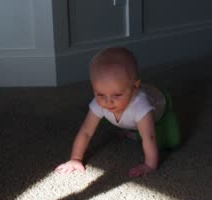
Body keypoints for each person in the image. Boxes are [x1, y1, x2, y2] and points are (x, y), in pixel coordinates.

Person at [55, 47, 180, 177]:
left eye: (117, 95)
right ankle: (133, 130)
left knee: (171, 141)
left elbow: (150, 137)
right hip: (134, 120)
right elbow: (86, 131)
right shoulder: (100, 103)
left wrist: (149, 165)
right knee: (134, 127)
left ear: (135, 87)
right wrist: (75, 158)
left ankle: (136, 131)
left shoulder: (141, 106)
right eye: (100, 94)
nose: (108, 102)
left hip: (161, 110)